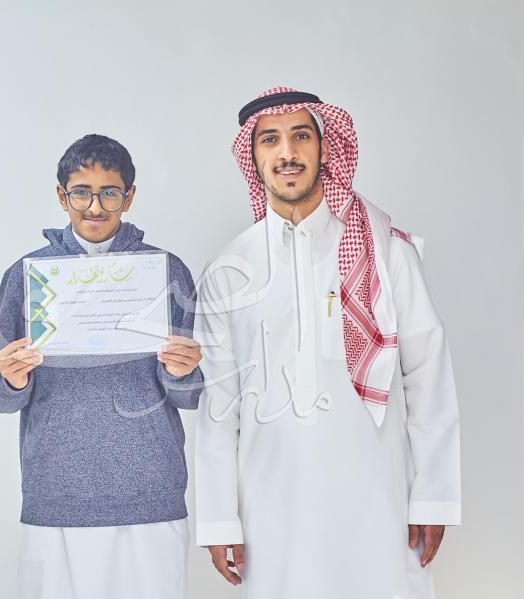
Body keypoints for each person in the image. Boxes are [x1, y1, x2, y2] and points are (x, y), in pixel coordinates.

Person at [194, 87, 461, 599]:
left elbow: (428, 375)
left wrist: (434, 496)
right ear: (252, 157)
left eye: (301, 136)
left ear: (325, 147)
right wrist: (219, 518)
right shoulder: (228, 271)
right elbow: (218, 408)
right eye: (270, 140)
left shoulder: (387, 253)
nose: (287, 153)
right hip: (270, 506)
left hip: (377, 495)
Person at [0, 134, 202, 599]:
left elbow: (189, 396)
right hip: (56, 492)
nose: (95, 207)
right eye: (81, 192)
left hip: (150, 491)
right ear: (62, 196)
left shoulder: (167, 271)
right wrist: (12, 379)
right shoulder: (25, 276)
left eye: (110, 193)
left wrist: (181, 372)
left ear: (130, 196)